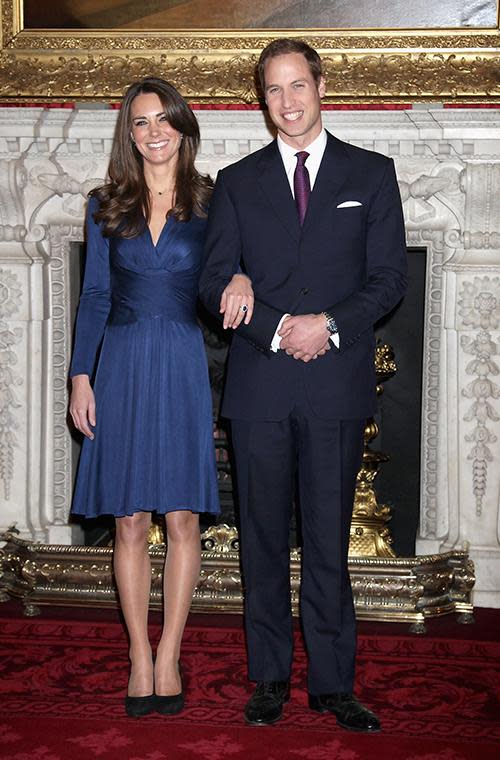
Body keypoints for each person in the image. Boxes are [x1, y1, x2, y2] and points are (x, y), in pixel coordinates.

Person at [199, 39, 408, 732]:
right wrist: (272, 318)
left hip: (335, 384)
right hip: (259, 387)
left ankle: (332, 683)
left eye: (297, 86)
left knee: (326, 539)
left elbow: (388, 281)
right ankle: (268, 679)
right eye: (272, 91)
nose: (286, 102)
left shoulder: (372, 175)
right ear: (261, 100)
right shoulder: (236, 181)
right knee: (259, 538)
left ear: (320, 86)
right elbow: (213, 280)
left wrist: (329, 326)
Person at [68, 77, 250, 718]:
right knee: (128, 519)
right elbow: (94, 297)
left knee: (180, 519)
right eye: (140, 123)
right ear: (130, 133)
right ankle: (138, 656)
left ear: (183, 127)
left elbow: (235, 264)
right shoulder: (104, 206)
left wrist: (246, 275)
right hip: (118, 362)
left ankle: (170, 651)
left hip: (178, 361)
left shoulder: (213, 201)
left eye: (163, 120)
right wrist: (80, 376)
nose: (153, 133)